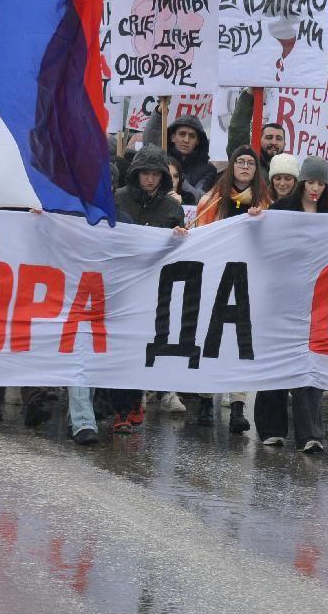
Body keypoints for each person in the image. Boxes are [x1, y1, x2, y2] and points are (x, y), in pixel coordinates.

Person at [87, 145, 185, 438]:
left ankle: (134, 400)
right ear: (136, 174)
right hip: (119, 284)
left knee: (142, 347)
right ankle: (121, 409)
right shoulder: (118, 200)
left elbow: (182, 251)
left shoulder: (172, 209)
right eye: (146, 173)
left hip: (153, 287)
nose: (150, 180)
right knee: (120, 347)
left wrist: (181, 237)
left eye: (156, 174)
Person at [252, 155, 328, 453]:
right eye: (310, 181)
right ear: (302, 183)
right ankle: (272, 429)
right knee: (276, 360)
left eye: (320, 183)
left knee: (310, 364)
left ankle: (310, 433)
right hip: (280, 299)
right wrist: (256, 222)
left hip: (315, 302)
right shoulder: (281, 211)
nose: (315, 188)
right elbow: (264, 245)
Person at [187, 146, 270, 433]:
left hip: (250, 279)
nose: (245, 167)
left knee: (243, 342)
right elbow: (197, 236)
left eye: (250, 163)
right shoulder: (212, 201)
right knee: (213, 338)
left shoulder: (267, 204)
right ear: (232, 166)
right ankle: (207, 399)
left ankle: (237, 405)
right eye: (240, 162)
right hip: (216, 276)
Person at [143, 112, 216, 202]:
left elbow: (200, 196)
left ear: (198, 141)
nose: (186, 140)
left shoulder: (208, 169)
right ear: (173, 137)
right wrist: (159, 112)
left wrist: (179, 177)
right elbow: (150, 139)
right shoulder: (162, 158)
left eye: (192, 136)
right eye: (182, 134)